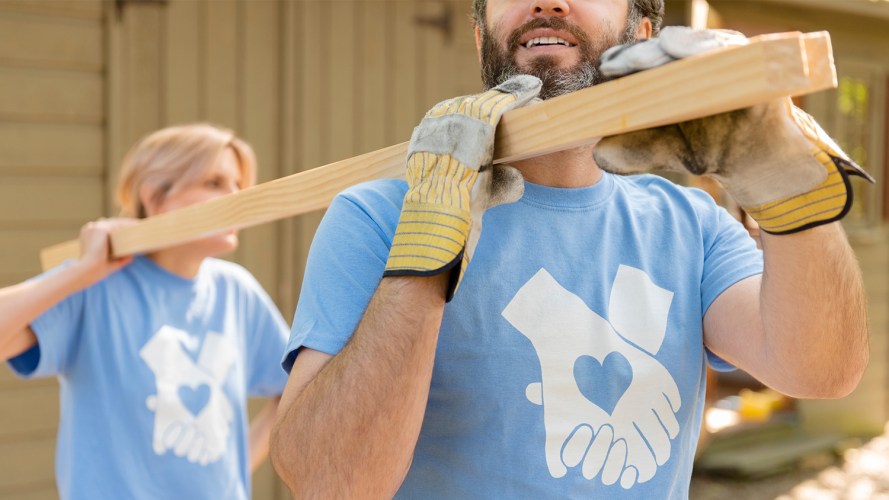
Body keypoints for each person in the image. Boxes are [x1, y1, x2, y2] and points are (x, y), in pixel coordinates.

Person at [270, 0, 870, 498]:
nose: (545, 1)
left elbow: (820, 370)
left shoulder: (691, 225)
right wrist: (427, 242)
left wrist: (785, 184)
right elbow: (328, 482)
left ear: (642, 34)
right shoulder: (379, 216)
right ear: (482, 35)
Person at [0, 124, 290, 499]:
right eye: (215, 183)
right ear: (154, 198)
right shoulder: (94, 287)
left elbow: (295, 387)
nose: (235, 198)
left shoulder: (237, 291)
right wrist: (80, 271)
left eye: (238, 184)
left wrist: (237, 466)